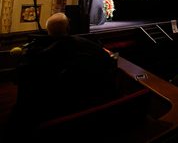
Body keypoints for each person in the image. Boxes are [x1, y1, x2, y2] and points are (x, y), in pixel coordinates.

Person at [4, 12, 118, 141]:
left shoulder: (33, 57)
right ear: (68, 28)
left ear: (48, 30)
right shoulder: (88, 47)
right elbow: (107, 62)